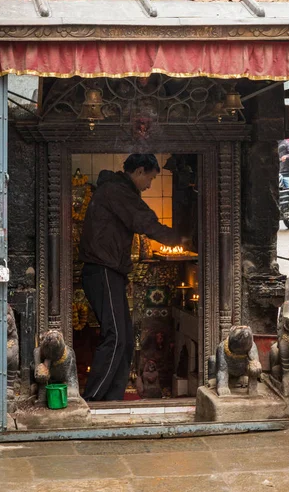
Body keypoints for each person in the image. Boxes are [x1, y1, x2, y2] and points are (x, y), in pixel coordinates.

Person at [79, 154, 182, 401]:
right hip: (102, 269)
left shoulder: (118, 190)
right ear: (138, 171)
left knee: (124, 340)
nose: (149, 185)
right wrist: (178, 238)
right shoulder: (117, 190)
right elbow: (142, 219)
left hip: (110, 271)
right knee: (115, 337)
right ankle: (93, 399)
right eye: (150, 178)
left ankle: (112, 399)